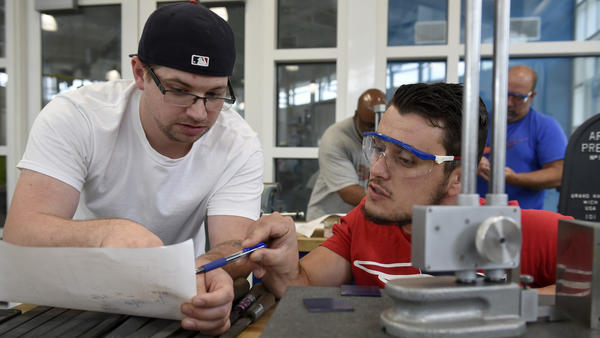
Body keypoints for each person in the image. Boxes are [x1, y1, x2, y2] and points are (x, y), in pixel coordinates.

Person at [3, 2, 263, 334]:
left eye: (214, 94)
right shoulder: (78, 116)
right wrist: (104, 235)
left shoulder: (237, 142)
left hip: (181, 297)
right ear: (140, 73)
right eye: (180, 90)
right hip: (76, 299)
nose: (199, 114)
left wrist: (213, 273)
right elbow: (22, 233)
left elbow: (234, 247)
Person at [243, 83, 572, 299]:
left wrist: (507, 303)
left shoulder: (513, 232)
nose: (377, 170)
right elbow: (301, 288)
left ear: (457, 177)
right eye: (378, 148)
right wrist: (282, 264)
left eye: (405, 159)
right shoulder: (365, 222)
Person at [477, 65, 568, 210]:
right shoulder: (475, 124)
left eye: (518, 98)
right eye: (504, 94)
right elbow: (446, 159)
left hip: (524, 219)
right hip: (474, 214)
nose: (508, 103)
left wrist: (514, 178)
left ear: (532, 96)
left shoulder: (544, 126)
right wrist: (471, 163)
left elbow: (559, 174)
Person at [306, 89, 387, 221]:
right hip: (326, 220)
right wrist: (389, 205)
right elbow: (348, 192)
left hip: (356, 218)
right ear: (356, 116)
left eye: (378, 124)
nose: (374, 131)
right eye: (369, 125)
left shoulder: (385, 136)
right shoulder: (336, 138)